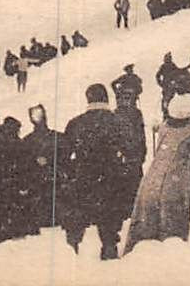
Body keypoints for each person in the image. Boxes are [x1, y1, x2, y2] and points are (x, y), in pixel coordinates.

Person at [58, 84, 138, 261]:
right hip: (112, 178)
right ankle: (109, 246)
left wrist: (72, 172)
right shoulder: (119, 121)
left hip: (83, 177)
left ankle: (73, 247)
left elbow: (63, 155)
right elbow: (132, 151)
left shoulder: (75, 123)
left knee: (78, 214)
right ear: (106, 99)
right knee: (109, 215)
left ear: (88, 99)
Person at [124, 93, 190, 254]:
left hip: (152, 180)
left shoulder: (164, 127)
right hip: (175, 183)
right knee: (171, 224)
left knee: (146, 220)